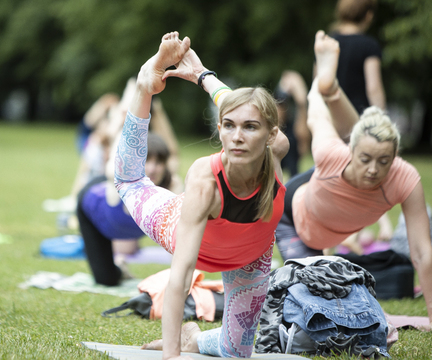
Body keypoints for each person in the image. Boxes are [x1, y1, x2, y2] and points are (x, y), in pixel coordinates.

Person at [116, 32, 289, 358]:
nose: (237, 137)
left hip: (250, 256)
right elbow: (180, 279)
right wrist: (171, 356)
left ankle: (194, 338)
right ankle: (142, 87)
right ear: (220, 128)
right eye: (228, 126)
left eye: (251, 127)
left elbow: (237, 107)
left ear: (270, 134)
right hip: (179, 224)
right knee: (129, 181)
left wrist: (202, 75)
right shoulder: (205, 181)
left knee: (236, 351)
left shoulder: (277, 150)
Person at [276, 31, 432, 324]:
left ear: (395, 157)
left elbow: (422, 250)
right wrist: (318, 82)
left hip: (327, 212)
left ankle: (333, 87)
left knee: (348, 308)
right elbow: (317, 118)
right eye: (365, 159)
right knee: (319, 306)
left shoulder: (404, 178)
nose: (374, 169)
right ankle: (329, 85)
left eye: (384, 161)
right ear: (351, 152)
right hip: (293, 218)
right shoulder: (331, 152)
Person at [78, 132, 177, 286]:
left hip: (118, 225)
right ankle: (120, 267)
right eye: (146, 161)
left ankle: (120, 265)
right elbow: (115, 154)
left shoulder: (173, 188)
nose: (152, 169)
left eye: (158, 163)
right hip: (91, 210)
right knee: (105, 280)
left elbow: (180, 238)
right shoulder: (121, 180)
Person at [329, 0, 385, 113]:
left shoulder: (327, 43)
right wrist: (382, 118)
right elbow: (373, 88)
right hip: (359, 119)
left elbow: (318, 82)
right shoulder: (369, 45)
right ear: (368, 15)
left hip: (332, 117)